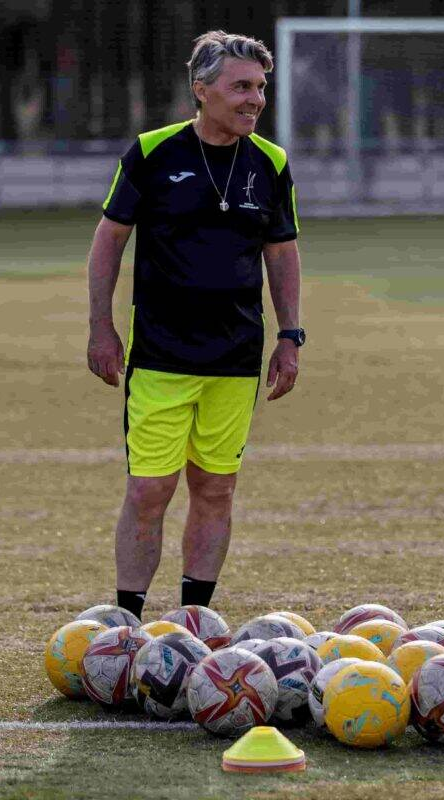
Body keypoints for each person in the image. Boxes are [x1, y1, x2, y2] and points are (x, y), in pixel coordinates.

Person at [86, 30, 304, 620]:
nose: (255, 99)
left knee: (216, 489)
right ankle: (128, 623)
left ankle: (194, 624)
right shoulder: (153, 151)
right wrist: (100, 326)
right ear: (201, 90)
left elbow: (281, 252)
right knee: (149, 491)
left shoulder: (272, 162)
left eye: (260, 87)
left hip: (235, 358)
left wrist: (290, 335)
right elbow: (110, 239)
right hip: (159, 357)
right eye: (240, 87)